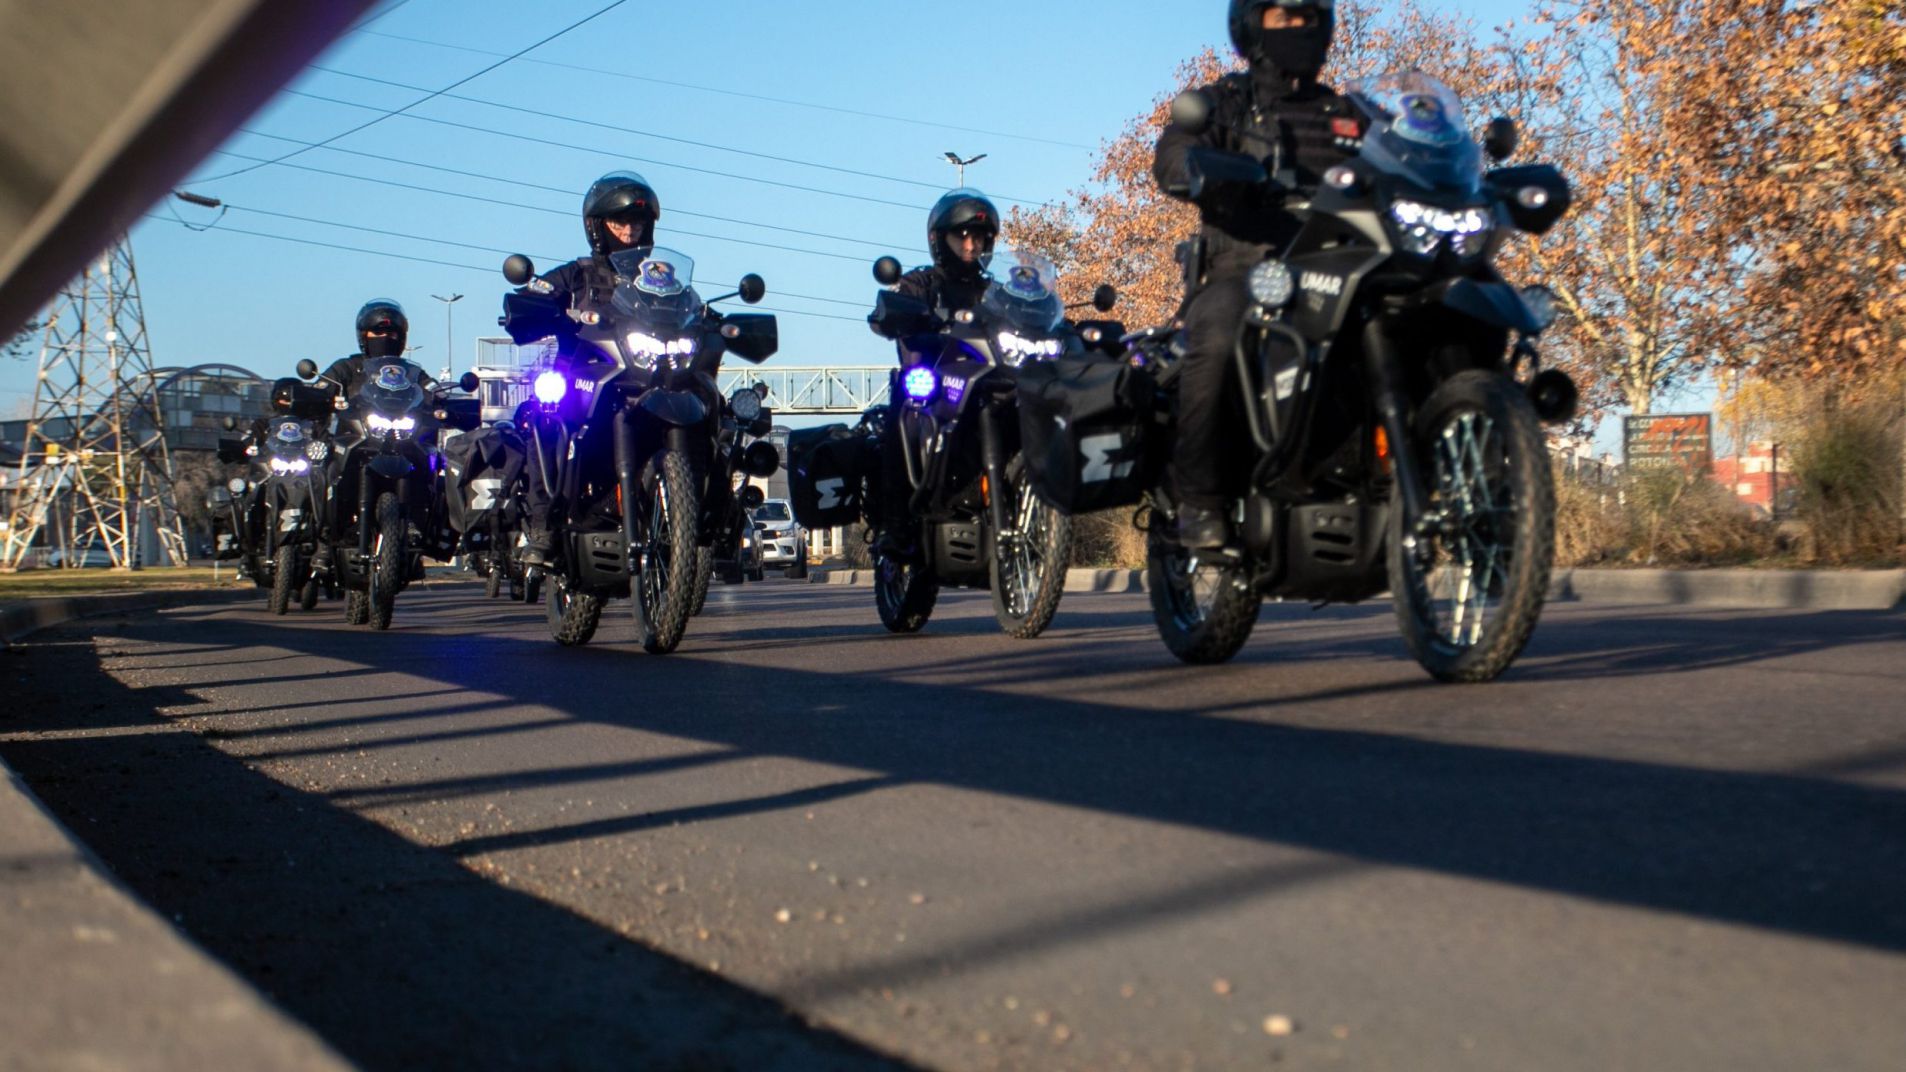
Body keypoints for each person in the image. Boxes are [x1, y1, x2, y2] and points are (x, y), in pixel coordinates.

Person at [1152, 0, 1356, 548]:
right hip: (1246, 266)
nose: (1297, 29)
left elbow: (1401, 157)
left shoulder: (1350, 114)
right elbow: (1174, 153)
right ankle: (1199, 500)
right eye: (1282, 18)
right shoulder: (1225, 105)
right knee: (1217, 332)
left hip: (1340, 269)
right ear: (1251, 27)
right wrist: (1197, 168)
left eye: (1307, 18)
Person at [516, 171, 663, 567]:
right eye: (619, 222)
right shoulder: (576, 275)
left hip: (640, 380)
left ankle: (701, 523)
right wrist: (534, 303)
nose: (629, 230)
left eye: (636, 222)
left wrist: (709, 319)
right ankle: (544, 526)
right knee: (545, 416)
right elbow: (534, 294)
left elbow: (689, 305)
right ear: (598, 227)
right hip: (582, 379)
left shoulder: (659, 278)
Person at [868, 188, 1001, 559]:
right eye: (961, 236)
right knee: (906, 404)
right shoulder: (921, 283)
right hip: (934, 384)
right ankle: (894, 523)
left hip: (983, 384)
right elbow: (885, 315)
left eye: (978, 237)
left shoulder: (996, 291)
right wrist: (895, 313)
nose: (970, 245)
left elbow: (1028, 318)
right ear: (939, 239)